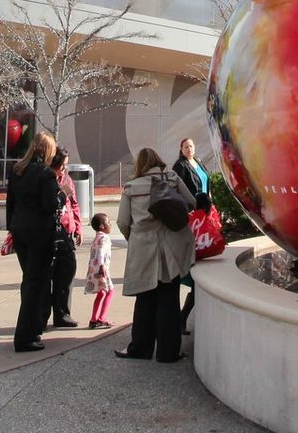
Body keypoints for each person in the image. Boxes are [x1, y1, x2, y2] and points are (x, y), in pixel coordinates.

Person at [114, 146, 195, 364]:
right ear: (158, 161)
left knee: (145, 299)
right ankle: (168, 353)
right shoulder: (172, 178)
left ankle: (140, 348)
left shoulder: (131, 187)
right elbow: (191, 202)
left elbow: (122, 222)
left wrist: (135, 237)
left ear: (140, 165)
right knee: (169, 299)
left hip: (143, 247)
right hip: (171, 247)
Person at [2, 129, 60, 353]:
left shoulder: (17, 170)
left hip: (20, 230)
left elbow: (11, 202)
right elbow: (49, 206)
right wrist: (61, 194)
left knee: (29, 280)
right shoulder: (45, 174)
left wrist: (12, 228)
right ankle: (25, 335)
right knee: (36, 283)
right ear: (48, 151)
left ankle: (32, 329)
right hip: (39, 233)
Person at [173, 136, 212, 329]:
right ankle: (181, 318)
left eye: (191, 146)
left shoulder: (198, 162)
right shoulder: (180, 166)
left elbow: (206, 182)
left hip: (205, 211)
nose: (189, 149)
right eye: (186, 146)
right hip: (192, 214)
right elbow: (179, 190)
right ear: (181, 149)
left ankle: (182, 318)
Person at [49, 149, 81, 328]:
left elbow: (74, 204)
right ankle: (44, 314)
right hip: (52, 233)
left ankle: (62, 314)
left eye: (66, 165)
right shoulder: (47, 180)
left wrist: (77, 227)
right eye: (62, 165)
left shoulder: (67, 180)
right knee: (49, 276)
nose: (64, 169)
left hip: (67, 232)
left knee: (66, 274)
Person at [84, 212, 115, 329]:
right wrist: (102, 266)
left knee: (101, 293)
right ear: (102, 226)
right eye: (109, 223)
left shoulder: (96, 237)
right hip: (102, 269)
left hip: (93, 269)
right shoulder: (104, 238)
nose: (110, 225)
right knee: (110, 291)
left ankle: (94, 319)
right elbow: (101, 252)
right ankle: (102, 318)